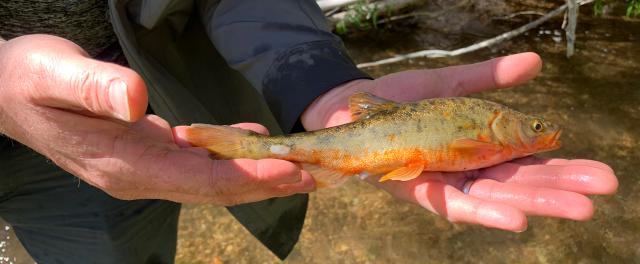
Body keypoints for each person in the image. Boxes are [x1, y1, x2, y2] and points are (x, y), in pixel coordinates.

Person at [0, 0, 618, 263]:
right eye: (533, 128)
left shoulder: (486, 134)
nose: (541, 132)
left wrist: (316, 81)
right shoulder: (485, 133)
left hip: (120, 116)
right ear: (503, 130)